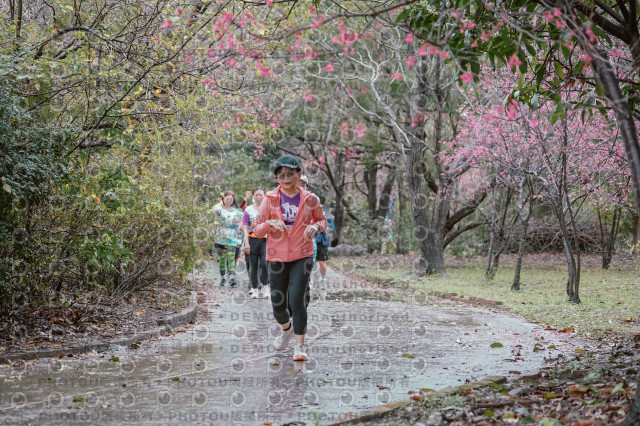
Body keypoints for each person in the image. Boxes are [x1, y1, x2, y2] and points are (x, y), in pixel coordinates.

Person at [254, 155, 327, 361]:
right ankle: (286, 328)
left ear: (298, 175)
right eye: (281, 175)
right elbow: (257, 230)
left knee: (296, 299)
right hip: (276, 255)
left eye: (290, 174)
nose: (286, 178)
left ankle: (300, 346)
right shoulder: (269, 199)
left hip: (302, 254)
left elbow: (322, 221)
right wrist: (269, 224)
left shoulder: (310, 198)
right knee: (278, 303)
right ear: (277, 178)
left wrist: (315, 226)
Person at [242, 187, 270, 299]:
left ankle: (265, 286)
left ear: (264, 196)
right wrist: (246, 243)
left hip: (265, 240)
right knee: (253, 266)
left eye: (260, 195)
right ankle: (254, 289)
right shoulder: (248, 210)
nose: (258, 197)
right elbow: (245, 227)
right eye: (256, 195)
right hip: (252, 240)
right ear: (253, 196)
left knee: (264, 264)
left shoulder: (268, 209)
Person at [213, 191, 243, 287]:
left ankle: (232, 278)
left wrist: (239, 239)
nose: (229, 201)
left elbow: (239, 226)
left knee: (231, 258)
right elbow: (214, 210)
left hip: (232, 239)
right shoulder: (219, 210)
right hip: (220, 238)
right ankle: (223, 279)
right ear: (223, 199)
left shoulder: (237, 212)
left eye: (231, 199)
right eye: (227, 199)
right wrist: (220, 202)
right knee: (222, 259)